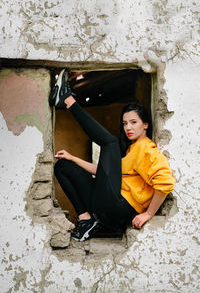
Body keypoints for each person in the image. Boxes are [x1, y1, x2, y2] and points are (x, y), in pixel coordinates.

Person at [49, 69, 176, 242]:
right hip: (106, 207)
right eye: (125, 123)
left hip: (120, 209)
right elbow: (103, 173)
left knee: (111, 143)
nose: (128, 128)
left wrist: (147, 214)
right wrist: (73, 158)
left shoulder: (147, 149)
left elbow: (166, 184)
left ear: (145, 125)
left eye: (133, 122)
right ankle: (86, 219)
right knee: (63, 167)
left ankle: (67, 100)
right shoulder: (133, 150)